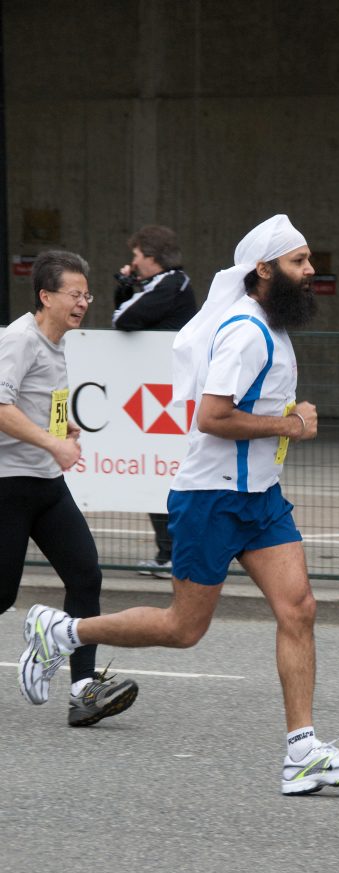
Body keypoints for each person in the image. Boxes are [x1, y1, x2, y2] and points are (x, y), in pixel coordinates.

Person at [19, 215, 339, 796]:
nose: (312, 271)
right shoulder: (244, 331)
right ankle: (64, 633)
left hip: (260, 498)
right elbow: (211, 417)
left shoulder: (270, 324)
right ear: (263, 270)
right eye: (299, 262)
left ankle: (302, 752)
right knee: (184, 629)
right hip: (212, 498)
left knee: (300, 608)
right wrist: (291, 424)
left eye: (309, 260)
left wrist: (284, 426)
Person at [1, 249, 138, 725]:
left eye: (87, 294)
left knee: (86, 577)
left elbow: (35, 405)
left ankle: (83, 689)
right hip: (9, 486)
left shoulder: (58, 342)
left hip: (46, 485)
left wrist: (63, 430)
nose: (83, 303)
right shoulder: (19, 338)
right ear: (46, 296)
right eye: (74, 294)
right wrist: (51, 444)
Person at [113, 224, 198, 579]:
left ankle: (172, 555)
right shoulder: (158, 285)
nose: (132, 260)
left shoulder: (172, 284)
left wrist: (128, 291)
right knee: (156, 472)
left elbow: (124, 319)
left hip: (167, 392)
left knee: (167, 474)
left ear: (151, 257)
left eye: (136, 255)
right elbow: (125, 312)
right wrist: (126, 285)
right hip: (156, 390)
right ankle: (168, 554)